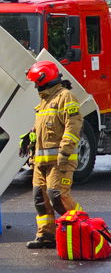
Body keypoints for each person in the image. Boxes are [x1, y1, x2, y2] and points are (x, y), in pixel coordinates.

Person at [20, 60, 84, 249]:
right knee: (40, 199)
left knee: (57, 196)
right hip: (40, 162)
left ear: (44, 78)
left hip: (59, 161)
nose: (35, 86)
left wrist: (65, 152)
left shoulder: (65, 97)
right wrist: (30, 137)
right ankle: (47, 235)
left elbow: (73, 126)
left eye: (36, 82)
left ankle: (82, 227)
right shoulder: (45, 101)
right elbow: (45, 130)